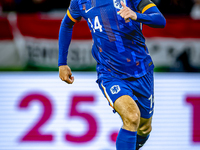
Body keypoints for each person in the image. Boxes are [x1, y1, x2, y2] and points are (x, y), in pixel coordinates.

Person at [58, 0, 166, 149]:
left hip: (141, 71)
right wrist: (62, 63)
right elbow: (67, 24)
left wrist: (136, 15)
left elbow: (160, 20)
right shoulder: (80, 2)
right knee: (132, 116)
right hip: (110, 73)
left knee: (144, 128)